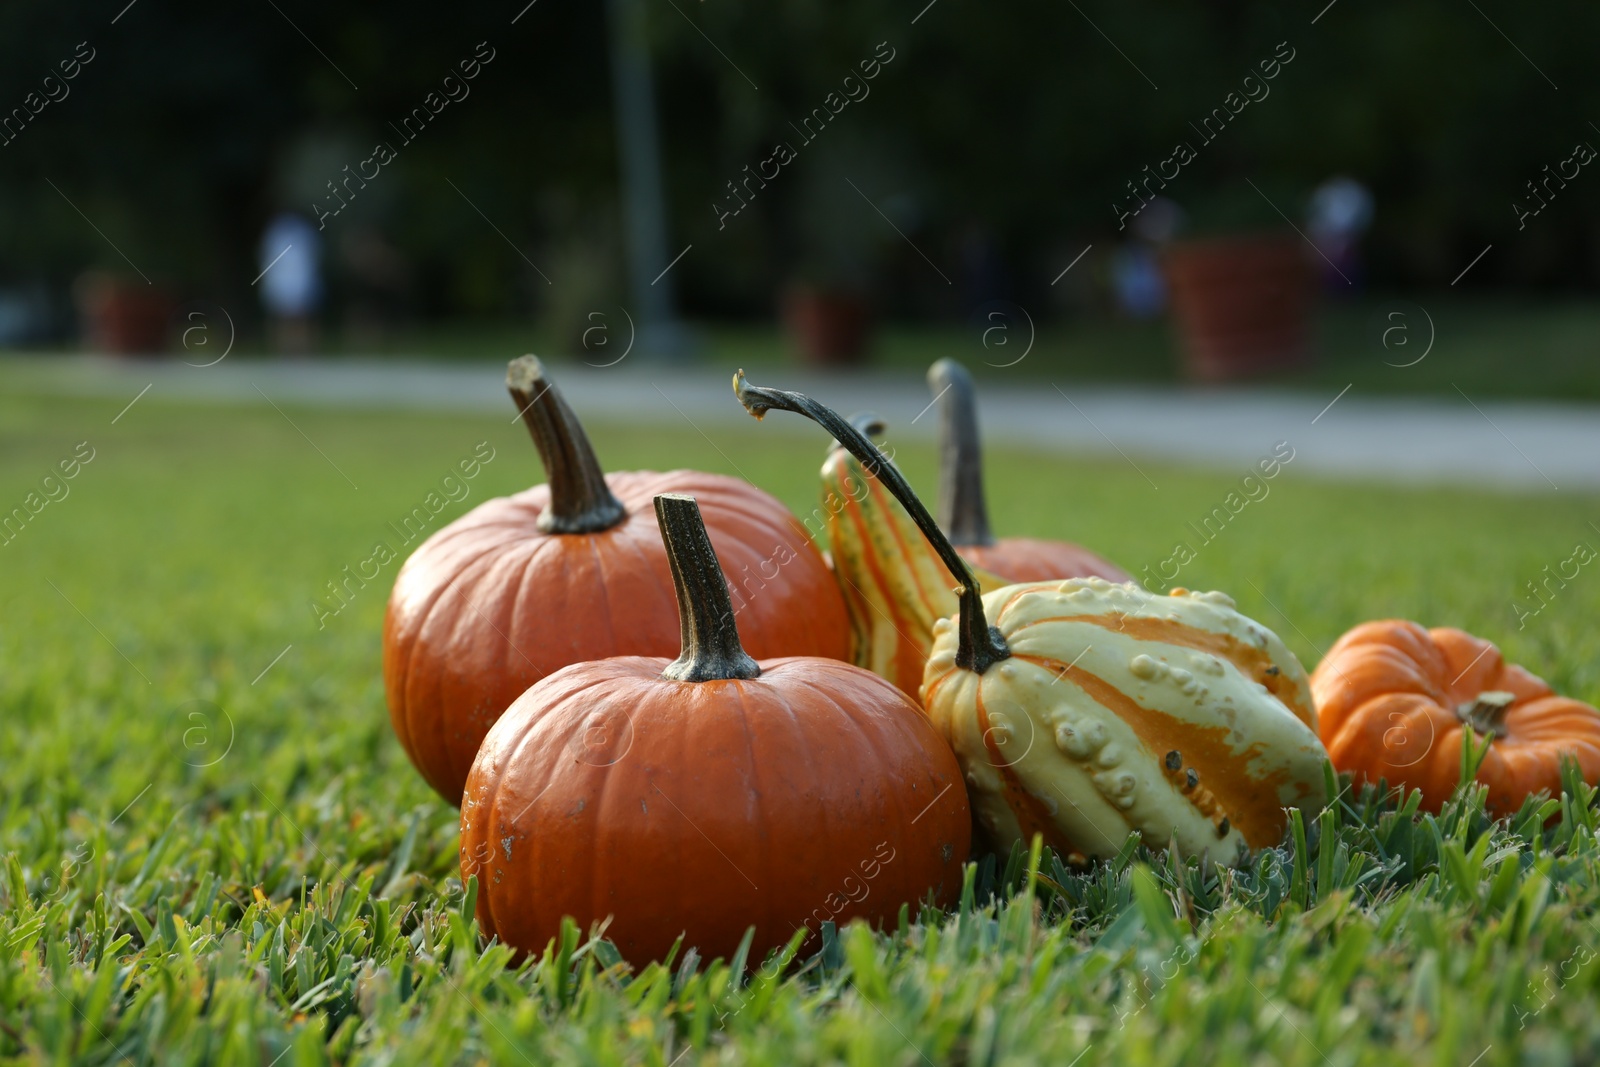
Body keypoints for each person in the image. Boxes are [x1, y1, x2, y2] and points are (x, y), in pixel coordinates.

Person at [258, 212, 323, 354]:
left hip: (299, 281)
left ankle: (302, 352)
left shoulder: (303, 233)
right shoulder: (276, 233)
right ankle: (284, 352)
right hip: (281, 281)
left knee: (300, 318)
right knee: (283, 319)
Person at [1307, 176, 1373, 292]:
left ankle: (1344, 292)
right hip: (1329, 233)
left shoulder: (1350, 194)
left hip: (1342, 235)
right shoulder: (1330, 193)